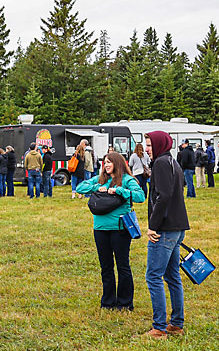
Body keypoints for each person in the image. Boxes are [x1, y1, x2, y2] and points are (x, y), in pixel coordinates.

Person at [75, 152, 145, 311]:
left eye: (109, 162)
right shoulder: (101, 179)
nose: (106, 165)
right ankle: (108, 301)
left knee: (122, 266)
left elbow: (140, 196)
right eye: (104, 163)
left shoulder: (127, 180)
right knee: (106, 267)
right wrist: (96, 187)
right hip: (100, 229)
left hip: (120, 229)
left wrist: (120, 191)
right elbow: (80, 187)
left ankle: (125, 303)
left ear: (118, 163)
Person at [142, 131, 190, 339]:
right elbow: (181, 188)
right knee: (172, 276)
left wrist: (153, 225)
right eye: (146, 145)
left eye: (150, 145)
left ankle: (159, 327)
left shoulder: (161, 163)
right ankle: (176, 323)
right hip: (177, 227)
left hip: (165, 229)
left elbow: (164, 195)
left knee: (153, 276)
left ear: (161, 145)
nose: (146, 149)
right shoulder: (172, 162)